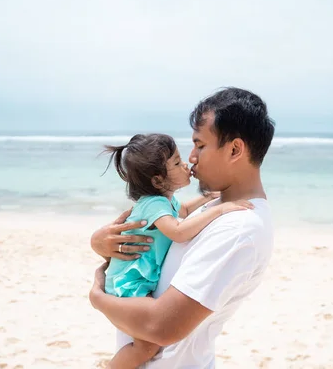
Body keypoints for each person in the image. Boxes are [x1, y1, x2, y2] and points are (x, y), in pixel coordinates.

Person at [89, 87, 276, 368]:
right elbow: (153, 245)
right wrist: (100, 243)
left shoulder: (239, 229)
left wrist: (97, 298)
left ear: (235, 149)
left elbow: (160, 327)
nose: (191, 158)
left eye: (200, 145)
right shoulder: (214, 207)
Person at [100, 133, 254, 368]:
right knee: (147, 346)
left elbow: (183, 210)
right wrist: (220, 210)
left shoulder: (165, 201)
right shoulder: (153, 204)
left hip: (137, 280)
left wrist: (210, 198)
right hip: (129, 283)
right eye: (176, 162)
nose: (185, 165)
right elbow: (178, 231)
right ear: (158, 181)